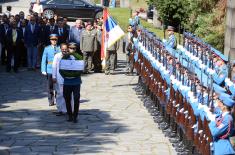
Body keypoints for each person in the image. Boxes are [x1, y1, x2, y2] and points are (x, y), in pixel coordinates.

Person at [59, 43, 83, 123]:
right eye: (70, 48)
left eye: (74, 48)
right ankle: (70, 115)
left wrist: (75, 74)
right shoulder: (65, 58)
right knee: (67, 99)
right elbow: (61, 69)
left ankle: (75, 116)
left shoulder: (79, 58)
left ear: (76, 49)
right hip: (67, 82)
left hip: (76, 82)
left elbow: (81, 69)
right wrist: (66, 76)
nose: (72, 49)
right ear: (68, 48)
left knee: (76, 99)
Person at [41, 34, 60, 106]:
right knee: (50, 86)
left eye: (55, 39)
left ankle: (58, 99)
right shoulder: (47, 48)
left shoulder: (60, 48)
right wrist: (43, 69)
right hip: (50, 69)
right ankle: (51, 100)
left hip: (58, 69)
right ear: (50, 40)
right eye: (52, 39)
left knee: (58, 86)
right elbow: (43, 59)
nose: (54, 41)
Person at [52, 43, 67, 116]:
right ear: (60, 49)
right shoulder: (57, 56)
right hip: (59, 78)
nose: (64, 50)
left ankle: (65, 110)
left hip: (67, 79)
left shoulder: (69, 55)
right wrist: (54, 76)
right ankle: (59, 109)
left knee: (66, 95)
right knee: (59, 94)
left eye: (65, 49)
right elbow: (54, 66)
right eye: (63, 49)